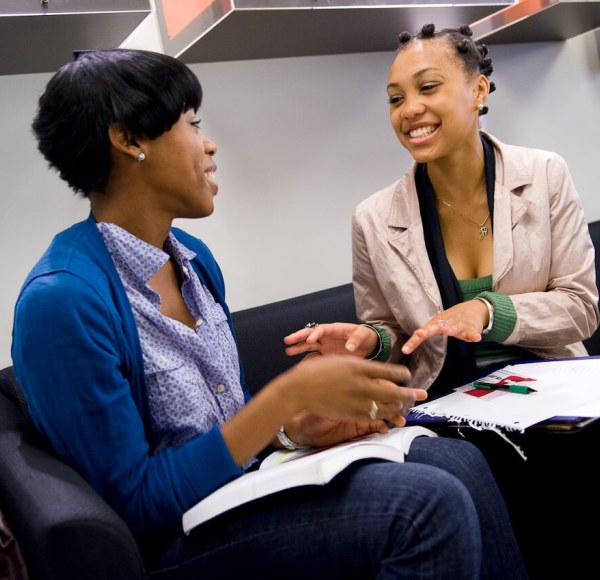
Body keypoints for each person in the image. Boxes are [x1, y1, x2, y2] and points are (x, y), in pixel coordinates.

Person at [11, 48, 527, 579]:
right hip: (174, 542)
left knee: (458, 460)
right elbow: (135, 508)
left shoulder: (190, 259)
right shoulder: (62, 302)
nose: (208, 144)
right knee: (423, 506)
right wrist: (284, 399)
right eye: (193, 124)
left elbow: (224, 424)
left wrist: (295, 430)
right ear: (129, 140)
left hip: (245, 487)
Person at [285, 23, 599, 398]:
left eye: (428, 87)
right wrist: (370, 341)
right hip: (445, 404)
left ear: (477, 90)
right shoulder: (371, 219)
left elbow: (580, 308)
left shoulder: (545, 175)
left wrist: (487, 312)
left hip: (551, 387)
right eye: (395, 98)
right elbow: (392, 331)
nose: (410, 110)